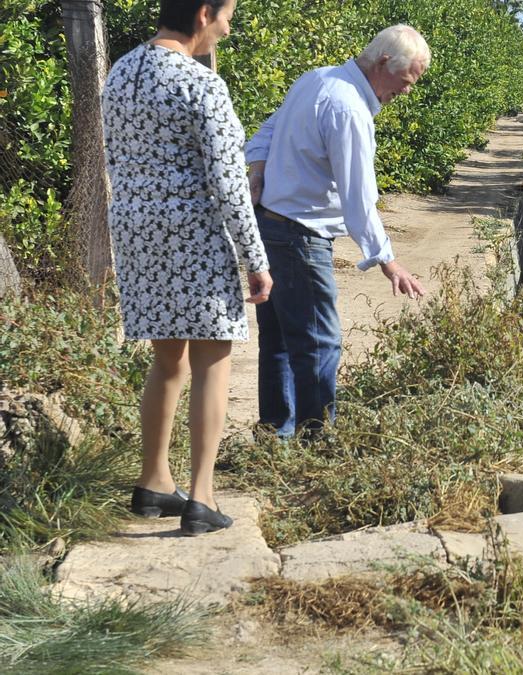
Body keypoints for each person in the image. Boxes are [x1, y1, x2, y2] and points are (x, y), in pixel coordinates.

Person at [102, 0, 272, 535]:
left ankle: (153, 481)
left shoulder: (122, 71)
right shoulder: (202, 85)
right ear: (204, 13)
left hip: (137, 235)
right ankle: (201, 496)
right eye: (227, 16)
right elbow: (228, 183)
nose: (227, 28)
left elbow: (116, 157)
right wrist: (255, 259)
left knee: (167, 360)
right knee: (212, 360)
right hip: (195, 238)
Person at [245, 24, 429, 438]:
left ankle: (275, 432)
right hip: (300, 236)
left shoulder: (316, 79)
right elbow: (358, 198)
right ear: (383, 63)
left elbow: (266, 130)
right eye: (405, 81)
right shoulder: (348, 108)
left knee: (277, 340)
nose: (407, 91)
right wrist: (388, 260)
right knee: (318, 341)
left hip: (270, 225)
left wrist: (258, 167)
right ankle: (317, 438)